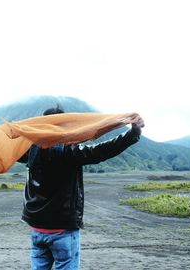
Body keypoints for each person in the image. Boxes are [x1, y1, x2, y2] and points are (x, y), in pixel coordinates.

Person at [18, 105, 144, 270]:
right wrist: (133, 133)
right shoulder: (68, 152)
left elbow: (7, 150)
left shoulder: (30, 151)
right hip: (62, 230)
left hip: (36, 229)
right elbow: (101, 151)